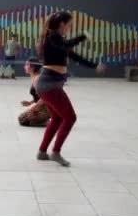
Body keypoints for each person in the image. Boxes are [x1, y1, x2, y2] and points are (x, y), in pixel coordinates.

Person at [35, 11, 105, 167]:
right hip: (49, 85)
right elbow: (66, 46)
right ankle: (56, 152)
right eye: (69, 24)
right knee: (70, 117)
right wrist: (82, 37)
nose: (69, 27)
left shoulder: (59, 40)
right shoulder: (52, 39)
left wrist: (94, 66)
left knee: (58, 118)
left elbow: (74, 56)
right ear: (62, 24)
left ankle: (42, 152)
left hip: (50, 85)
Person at [18, 57, 50, 127]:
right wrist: (30, 102)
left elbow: (45, 97)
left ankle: (50, 120)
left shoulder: (37, 79)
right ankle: (46, 120)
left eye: (26, 65)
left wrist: (32, 109)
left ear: (32, 67)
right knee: (22, 118)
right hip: (42, 107)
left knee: (23, 120)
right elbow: (39, 96)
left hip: (47, 108)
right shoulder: (34, 77)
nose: (24, 66)